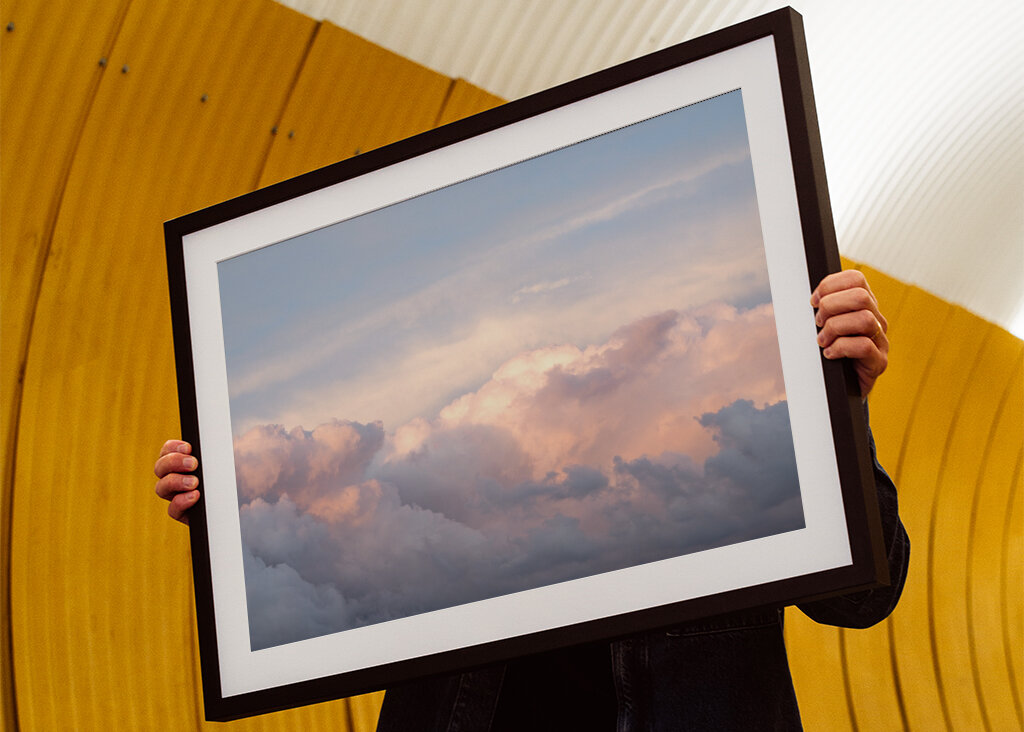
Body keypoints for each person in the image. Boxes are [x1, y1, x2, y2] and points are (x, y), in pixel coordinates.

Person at [154, 270, 909, 731]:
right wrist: (240, 511)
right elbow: (346, 579)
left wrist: (838, 406)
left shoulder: (748, 402)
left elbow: (865, 595)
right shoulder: (428, 484)